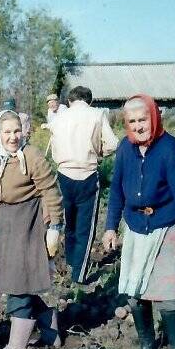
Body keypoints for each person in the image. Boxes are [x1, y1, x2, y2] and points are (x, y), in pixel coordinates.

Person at [101, 94, 175, 349]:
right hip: (135, 225)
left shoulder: (170, 149)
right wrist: (110, 227)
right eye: (132, 121)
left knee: (169, 294)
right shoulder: (125, 149)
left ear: (154, 118)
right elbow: (116, 189)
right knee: (134, 292)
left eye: (143, 119)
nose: (138, 126)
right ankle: (147, 345)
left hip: (168, 225)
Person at [0, 110, 64, 349]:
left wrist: (54, 229)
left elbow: (51, 191)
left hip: (30, 220)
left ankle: (16, 347)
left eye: (17, 131)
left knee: (18, 282)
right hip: (7, 222)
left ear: (23, 131)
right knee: (18, 279)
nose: (13, 137)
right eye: (7, 132)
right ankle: (51, 329)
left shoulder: (32, 155)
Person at [48, 86, 118, 284]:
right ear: (90, 101)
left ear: (69, 101)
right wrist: (100, 153)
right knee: (85, 227)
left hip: (63, 175)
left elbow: (54, 149)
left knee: (68, 222)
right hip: (88, 174)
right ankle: (78, 274)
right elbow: (113, 143)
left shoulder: (58, 118)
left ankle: (70, 261)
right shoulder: (97, 114)